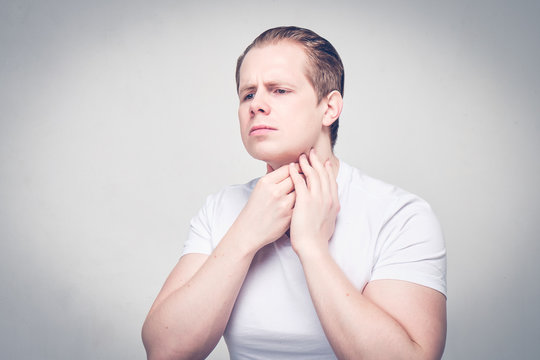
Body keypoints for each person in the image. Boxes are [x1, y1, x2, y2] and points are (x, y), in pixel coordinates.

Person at [142, 26, 447, 360]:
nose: (256, 104)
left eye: (279, 90)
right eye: (248, 94)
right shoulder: (221, 208)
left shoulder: (400, 215)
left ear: (330, 108)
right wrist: (244, 236)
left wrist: (312, 248)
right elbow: (165, 351)